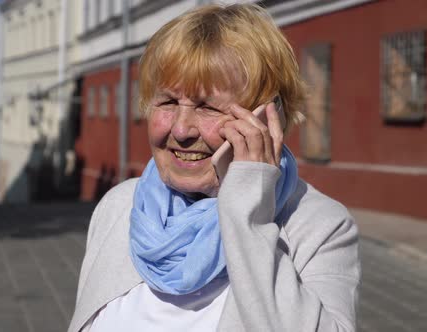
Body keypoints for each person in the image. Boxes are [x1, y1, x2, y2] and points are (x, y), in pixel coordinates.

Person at [68, 3, 360, 332]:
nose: (180, 130)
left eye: (207, 106)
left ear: (266, 118)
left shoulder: (319, 226)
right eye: (167, 101)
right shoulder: (120, 206)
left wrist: (248, 213)